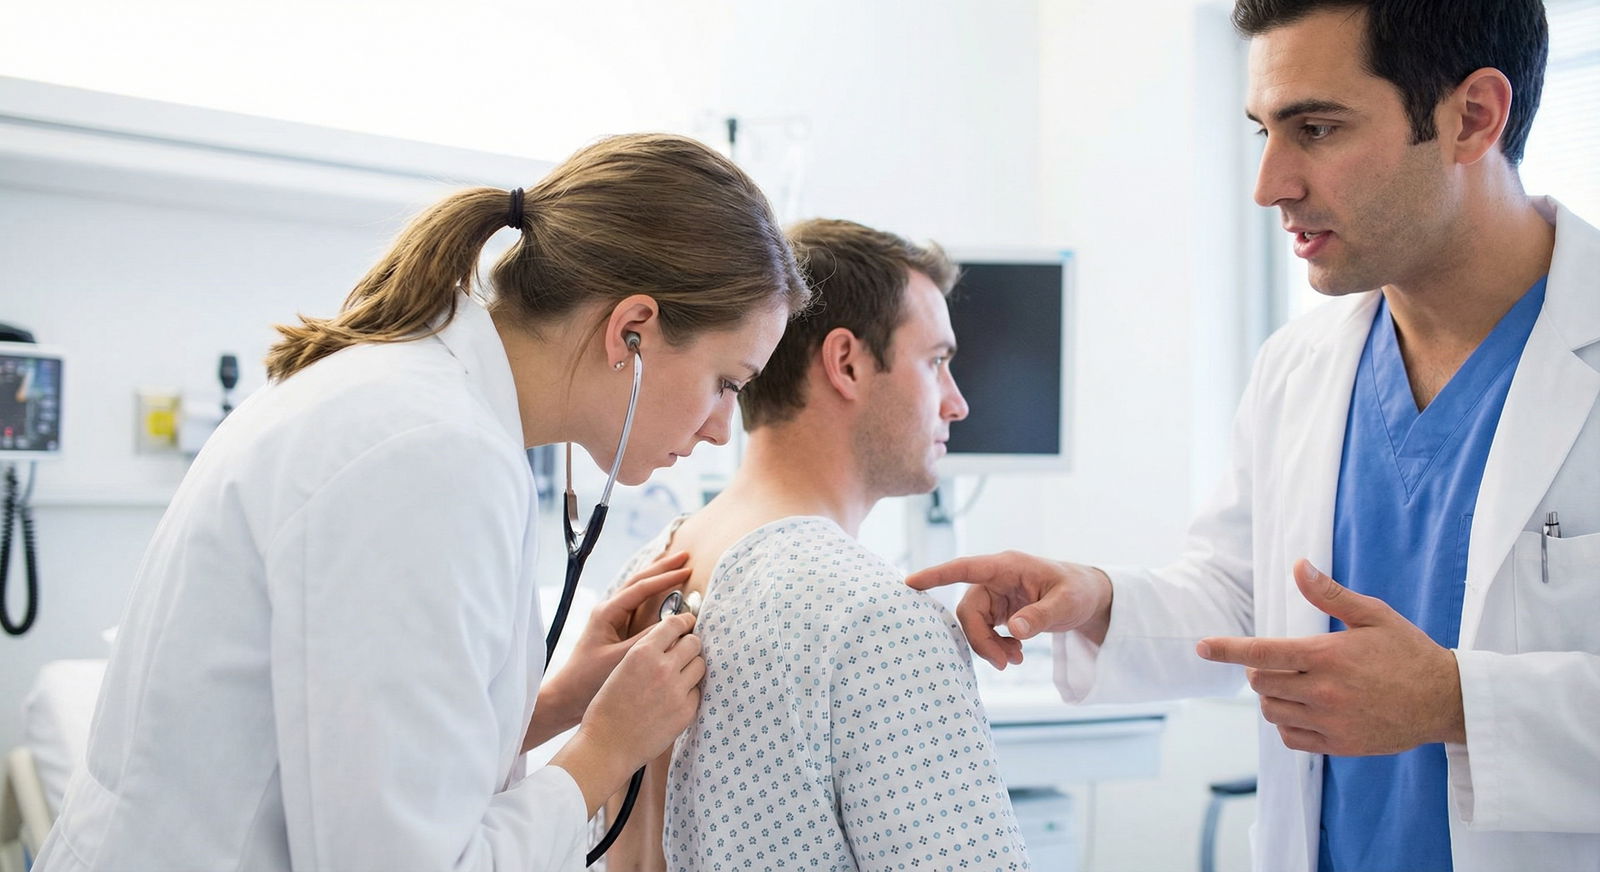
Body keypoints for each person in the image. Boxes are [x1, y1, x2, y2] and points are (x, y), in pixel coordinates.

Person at [909, 2, 1598, 871]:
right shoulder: (1300, 366)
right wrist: (1099, 598)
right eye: (1264, 131)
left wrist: (1457, 703)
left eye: (1317, 128)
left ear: (1473, 117)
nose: (1270, 183)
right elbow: (1247, 601)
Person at [34, 133, 811, 871]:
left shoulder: (421, 404)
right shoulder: (432, 456)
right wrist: (605, 751)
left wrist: (559, 702)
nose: (719, 432)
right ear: (632, 332)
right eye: (726, 384)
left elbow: (359, 750)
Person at [597, 218, 1029, 871]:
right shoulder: (878, 618)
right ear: (846, 362)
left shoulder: (651, 567)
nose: (956, 403)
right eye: (936, 362)